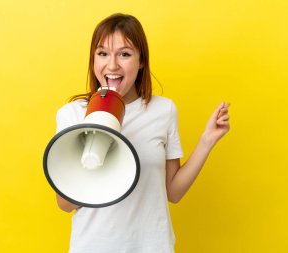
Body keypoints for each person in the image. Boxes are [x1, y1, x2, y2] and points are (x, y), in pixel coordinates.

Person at [54, 13, 230, 253]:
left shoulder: (163, 110)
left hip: (152, 246)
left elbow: (174, 192)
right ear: (93, 60)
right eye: (102, 53)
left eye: (124, 54)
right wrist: (98, 132)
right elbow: (65, 203)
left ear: (141, 61)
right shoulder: (73, 114)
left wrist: (207, 140)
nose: (112, 65)